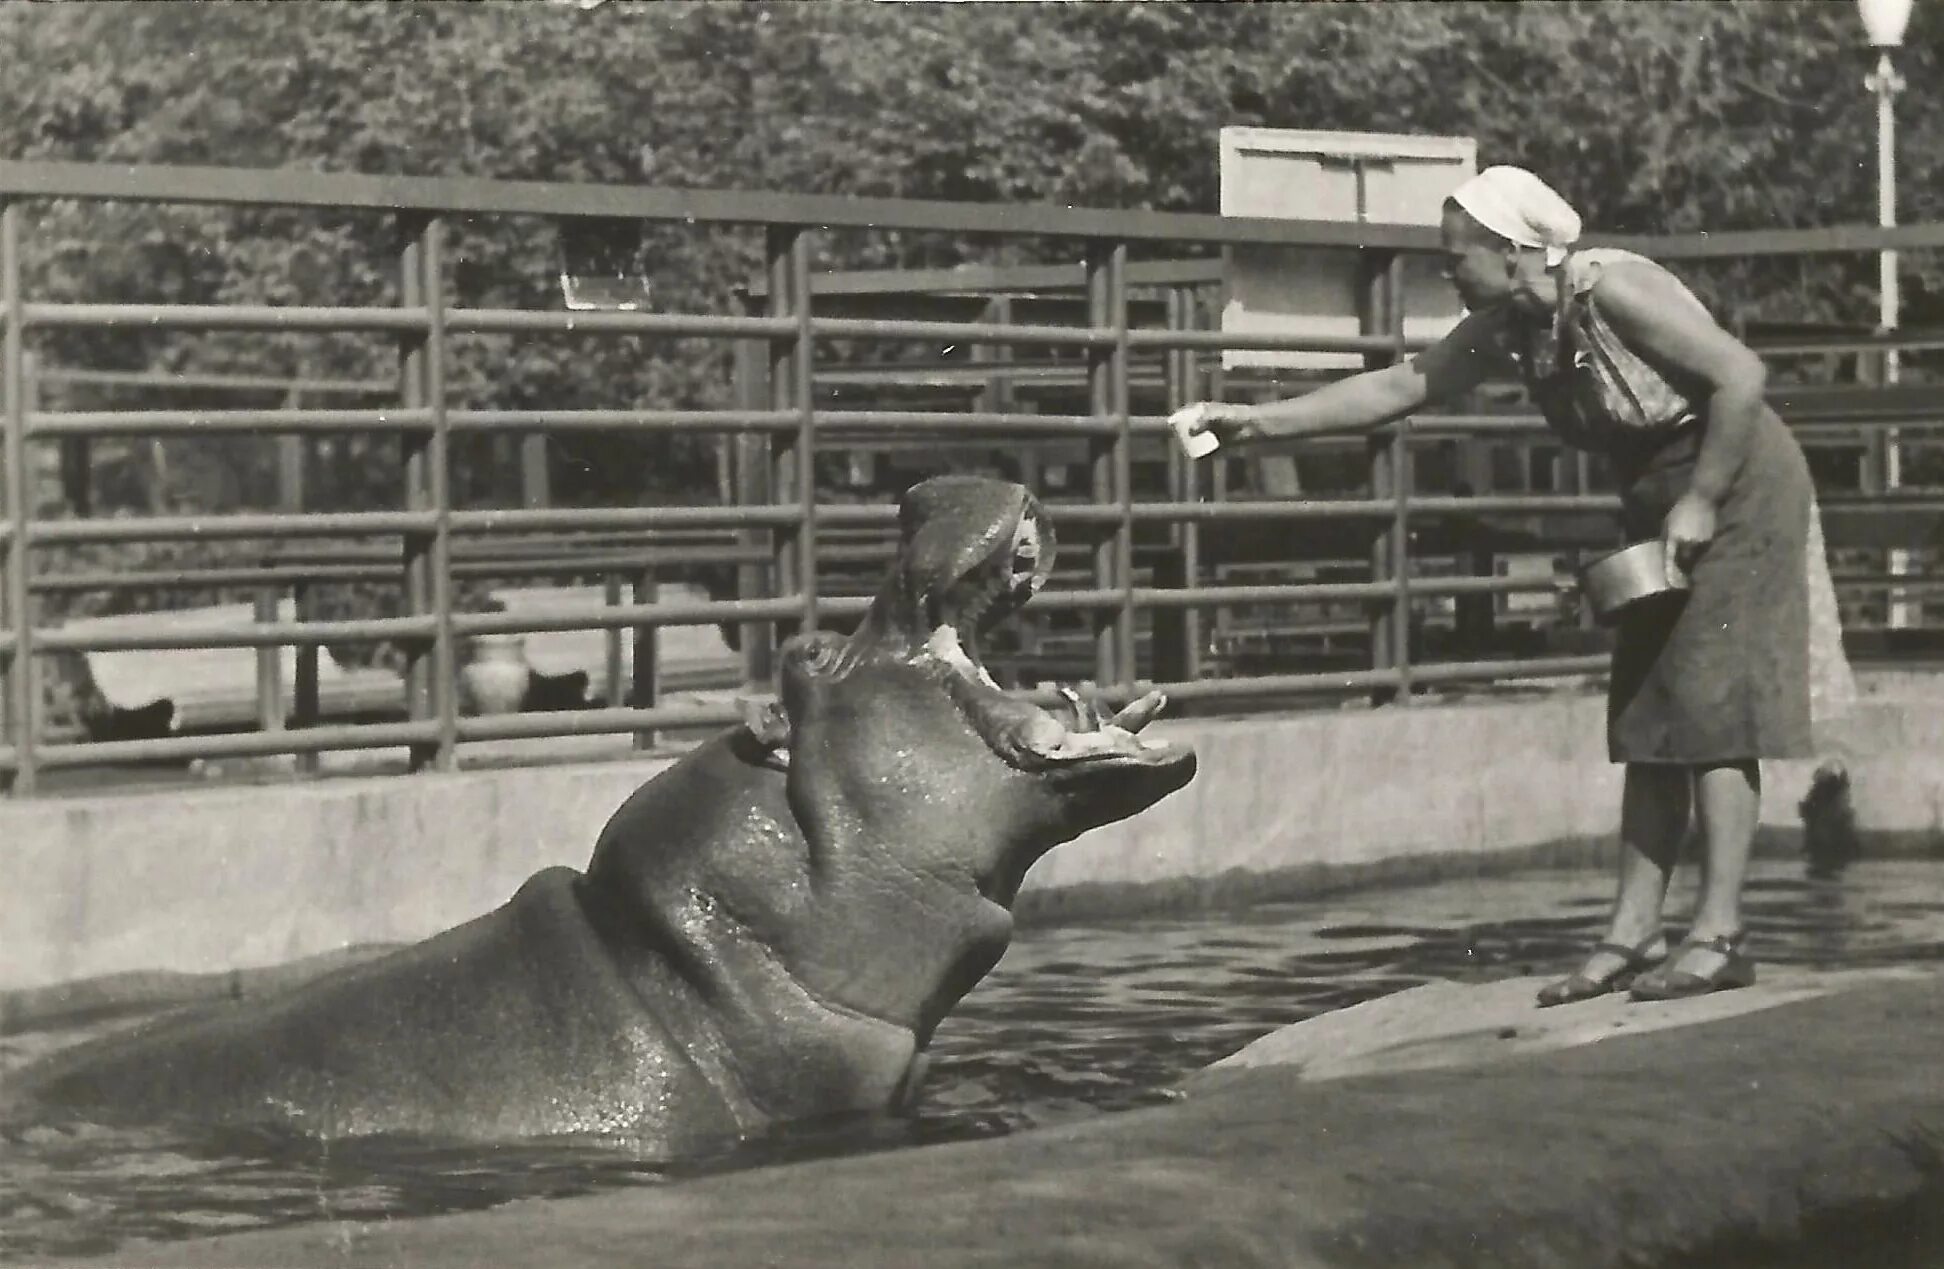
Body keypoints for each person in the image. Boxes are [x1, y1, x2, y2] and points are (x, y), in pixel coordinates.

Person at [1182, 165, 1852, 1005]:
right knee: (1648, 709)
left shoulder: (1613, 290)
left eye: (1456, 256)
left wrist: (1704, 499)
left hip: (1736, 480)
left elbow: (1741, 377)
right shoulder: (1507, 325)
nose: (1447, 272)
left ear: (1510, 250)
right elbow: (1399, 385)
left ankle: (1720, 931)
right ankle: (1632, 932)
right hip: (1654, 491)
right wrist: (1257, 421)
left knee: (1715, 710)